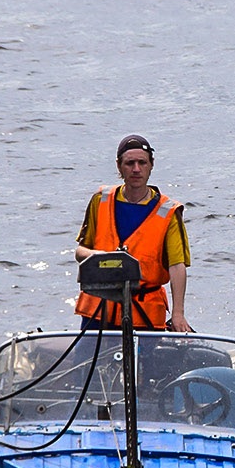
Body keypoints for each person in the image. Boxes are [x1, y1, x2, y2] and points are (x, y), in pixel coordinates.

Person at [74, 134, 193, 332]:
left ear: (151, 165)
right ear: (119, 166)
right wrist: (101, 257)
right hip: (99, 309)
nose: (136, 169)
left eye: (142, 163)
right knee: (85, 361)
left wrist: (178, 314)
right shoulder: (100, 200)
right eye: (130, 163)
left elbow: (177, 266)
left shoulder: (168, 212)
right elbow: (80, 251)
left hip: (144, 314)